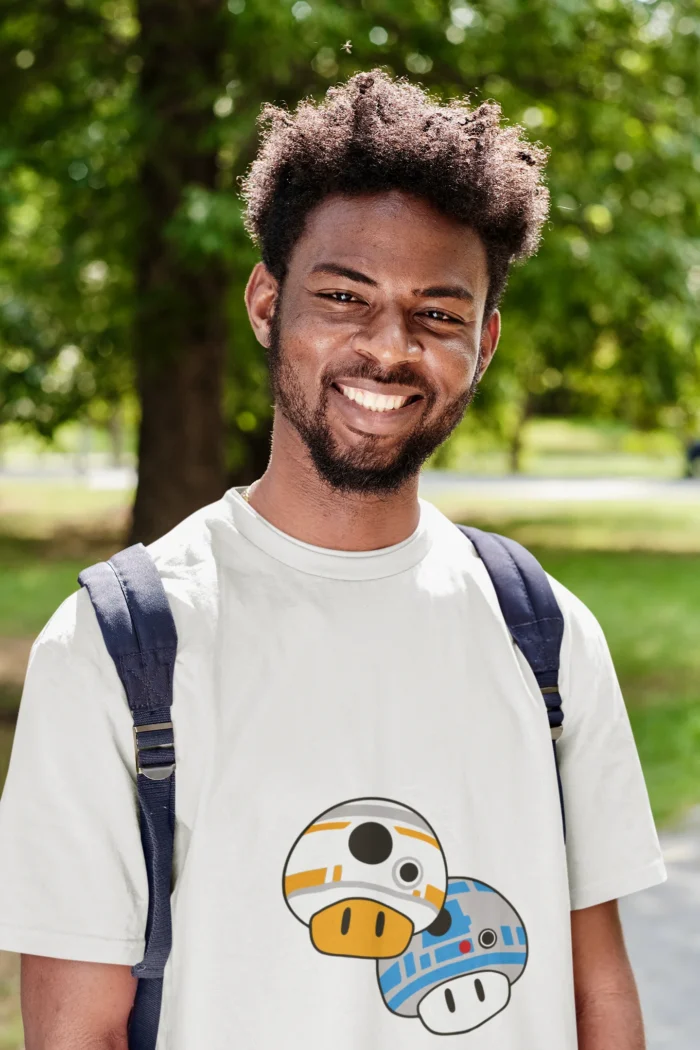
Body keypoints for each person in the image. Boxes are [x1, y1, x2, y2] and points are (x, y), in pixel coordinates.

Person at [0, 71, 665, 1050]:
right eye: (344, 297)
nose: (387, 348)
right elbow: (73, 1035)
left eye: (437, 314)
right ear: (267, 303)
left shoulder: (544, 631)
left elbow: (596, 998)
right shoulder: (120, 644)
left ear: (483, 344)